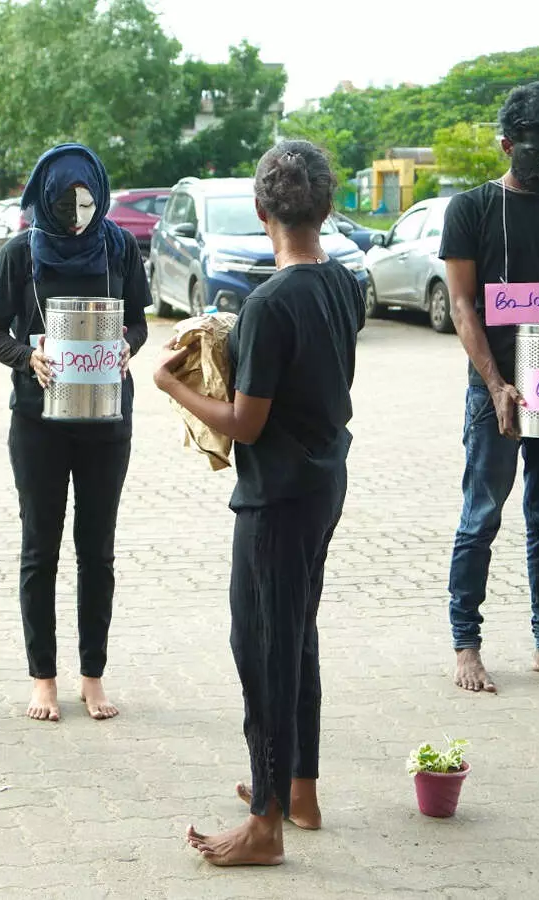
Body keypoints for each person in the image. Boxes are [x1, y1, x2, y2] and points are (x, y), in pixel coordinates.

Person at [154, 141, 361, 866]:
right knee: (295, 637)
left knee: (262, 649)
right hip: (324, 479)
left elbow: (246, 423)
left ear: (262, 211)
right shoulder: (342, 284)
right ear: (327, 209)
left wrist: (171, 384)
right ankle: (297, 791)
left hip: (277, 497)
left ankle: (266, 824)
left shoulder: (272, 303)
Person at [441, 81, 539, 694]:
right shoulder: (472, 210)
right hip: (496, 392)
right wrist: (496, 384)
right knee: (481, 517)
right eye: (537, 153)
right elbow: (462, 305)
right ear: (508, 145)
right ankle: (466, 645)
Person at [0, 143, 148, 722]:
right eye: (65, 205)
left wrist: (128, 343)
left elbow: (140, 321)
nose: (78, 218)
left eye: (87, 204)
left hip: (107, 421)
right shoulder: (20, 252)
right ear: (44, 201)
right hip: (38, 424)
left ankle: (92, 676)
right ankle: (43, 678)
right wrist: (28, 356)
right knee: (40, 551)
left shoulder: (119, 244)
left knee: (96, 552)